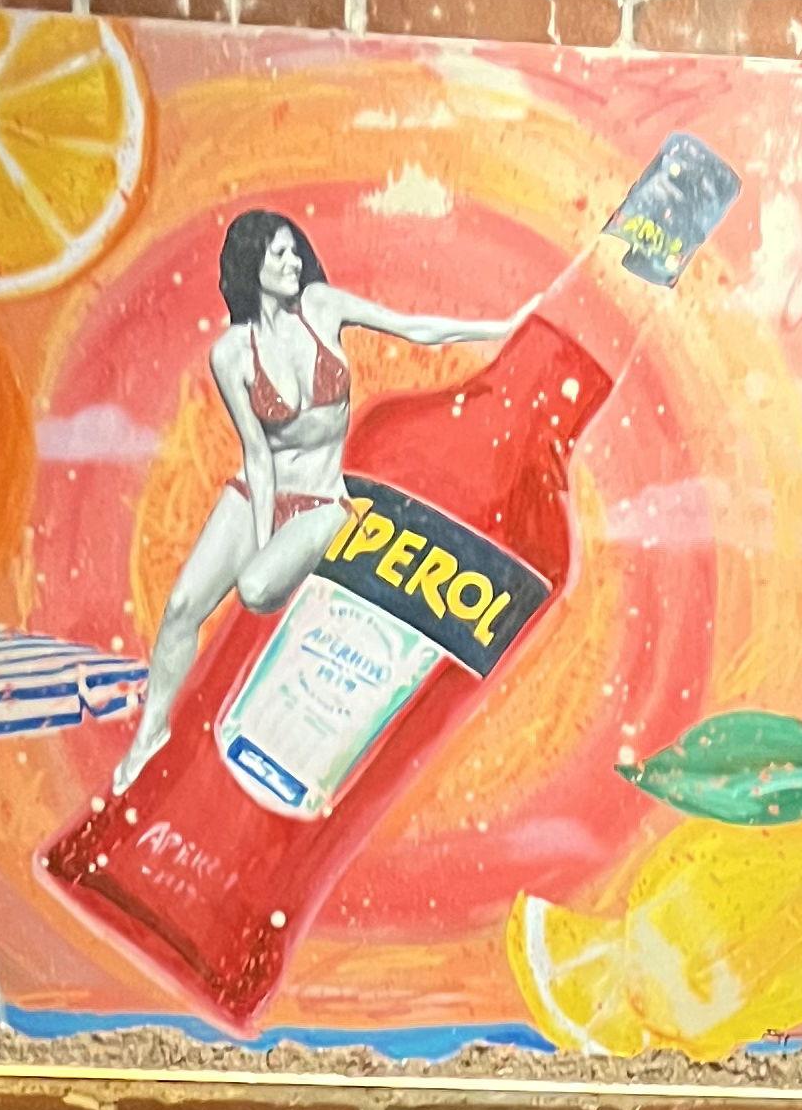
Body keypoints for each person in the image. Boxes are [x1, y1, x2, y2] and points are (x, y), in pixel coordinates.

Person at [112, 209, 514, 796]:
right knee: (180, 606)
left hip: (323, 499)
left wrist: (502, 326)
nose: (293, 261)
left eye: (294, 250)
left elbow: (411, 327)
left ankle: (297, 587)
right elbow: (257, 453)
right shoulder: (232, 353)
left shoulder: (321, 307)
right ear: (250, 263)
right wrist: (264, 528)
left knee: (255, 589)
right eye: (278, 253)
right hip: (260, 486)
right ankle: (151, 731)